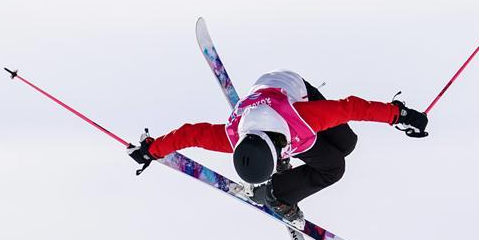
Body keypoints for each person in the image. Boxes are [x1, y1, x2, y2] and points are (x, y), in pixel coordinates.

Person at [128, 70, 429, 222]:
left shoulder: (305, 118)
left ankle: (280, 178)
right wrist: (151, 150)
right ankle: (275, 193)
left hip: (295, 92)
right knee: (335, 167)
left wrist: (398, 114)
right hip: (266, 107)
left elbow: (353, 107)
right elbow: (191, 134)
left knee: (347, 144)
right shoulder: (232, 135)